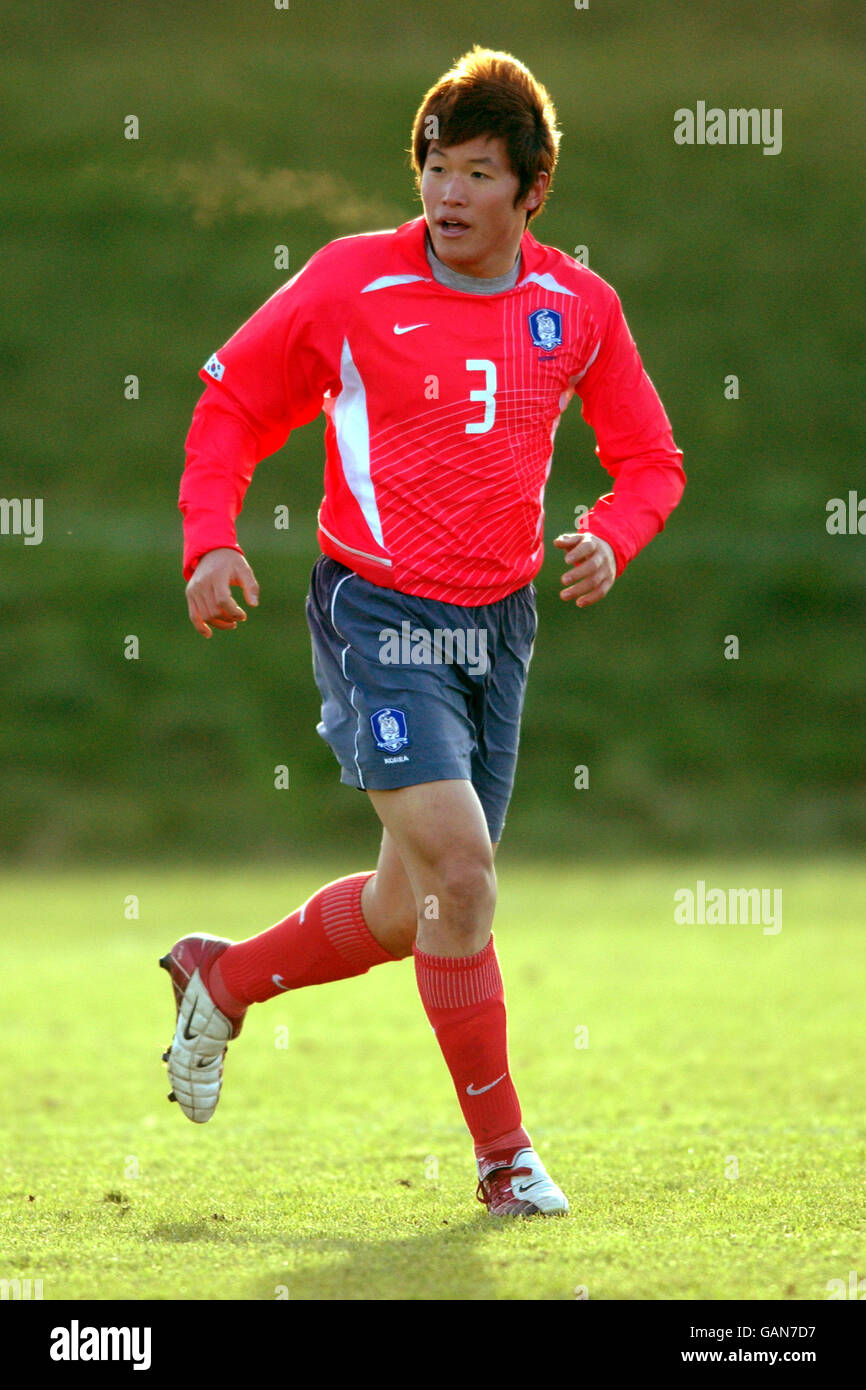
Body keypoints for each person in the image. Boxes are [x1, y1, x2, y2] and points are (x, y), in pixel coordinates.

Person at [161, 46, 685, 1218]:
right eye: (434, 169)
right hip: (378, 611)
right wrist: (210, 535)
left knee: (418, 909)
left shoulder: (574, 309)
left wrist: (612, 532)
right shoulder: (351, 284)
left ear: (533, 189)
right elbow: (236, 400)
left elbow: (649, 460)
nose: (447, 195)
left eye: (477, 173)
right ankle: (506, 1163)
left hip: (497, 628)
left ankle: (223, 977)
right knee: (464, 871)